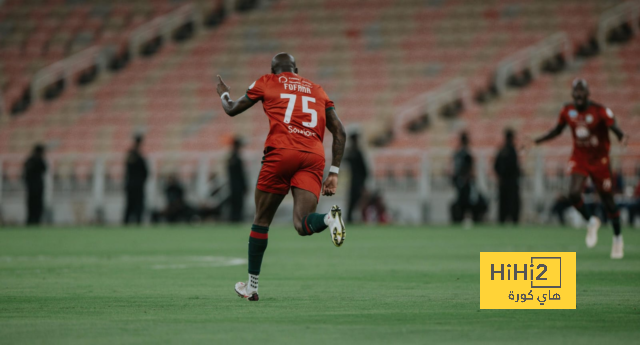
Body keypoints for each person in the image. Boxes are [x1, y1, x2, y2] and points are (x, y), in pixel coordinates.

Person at [216, 52, 347, 301]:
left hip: (281, 152)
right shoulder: (317, 90)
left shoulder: (267, 81)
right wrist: (334, 173)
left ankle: (252, 287)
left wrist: (223, 93)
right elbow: (340, 132)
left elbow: (231, 109)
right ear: (296, 69)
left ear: (274, 70)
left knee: (261, 221)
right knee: (303, 223)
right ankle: (330, 219)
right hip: (313, 157)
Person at [530, 79, 628, 259]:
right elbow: (557, 130)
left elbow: (613, 126)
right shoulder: (567, 110)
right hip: (580, 158)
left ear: (588, 93)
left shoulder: (599, 111)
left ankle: (617, 238)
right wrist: (537, 141)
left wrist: (621, 136)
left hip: (600, 160)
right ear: (572, 94)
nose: (579, 95)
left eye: (582, 91)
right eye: (576, 92)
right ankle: (591, 221)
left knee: (609, 202)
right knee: (573, 193)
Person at [494, 129, 521, 224]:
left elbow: (496, 166)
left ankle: (502, 219)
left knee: (503, 203)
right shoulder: (511, 150)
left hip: (503, 181)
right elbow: (515, 166)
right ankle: (513, 220)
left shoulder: (502, 150)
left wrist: (500, 176)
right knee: (512, 202)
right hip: (511, 181)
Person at [123, 135, 149, 225]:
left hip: (130, 184)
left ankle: (126, 222)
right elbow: (145, 171)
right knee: (138, 205)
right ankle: (137, 222)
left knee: (130, 205)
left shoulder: (130, 155)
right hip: (138, 185)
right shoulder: (139, 156)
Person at [345, 131, 369, 223]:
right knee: (352, 202)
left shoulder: (357, 153)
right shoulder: (353, 152)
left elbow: (365, 171)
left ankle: (355, 219)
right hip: (354, 181)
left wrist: (363, 184)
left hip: (358, 182)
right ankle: (349, 219)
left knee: (356, 202)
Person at [23, 144, 47, 225]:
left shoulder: (30, 160)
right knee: (36, 204)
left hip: (32, 187)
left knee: (32, 204)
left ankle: (32, 220)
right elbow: (44, 169)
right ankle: (35, 220)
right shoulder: (36, 160)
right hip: (37, 186)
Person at [227, 137, 248, 222]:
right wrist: (245, 186)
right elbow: (241, 175)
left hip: (232, 186)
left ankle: (233, 219)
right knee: (238, 206)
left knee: (234, 205)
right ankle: (237, 219)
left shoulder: (230, 158)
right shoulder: (237, 159)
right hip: (238, 187)